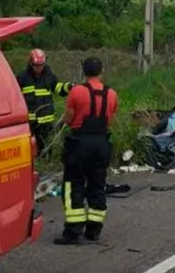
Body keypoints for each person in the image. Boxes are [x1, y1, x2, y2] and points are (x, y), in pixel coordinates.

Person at [53, 57, 119, 245]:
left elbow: (68, 118)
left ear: (84, 71)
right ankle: (94, 229)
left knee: (74, 184)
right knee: (98, 184)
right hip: (101, 143)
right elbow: (110, 121)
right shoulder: (112, 94)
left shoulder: (77, 91)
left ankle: (73, 231)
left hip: (79, 143)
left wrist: (61, 124)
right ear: (101, 71)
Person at [16, 49, 74, 156]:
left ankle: (46, 162)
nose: (39, 68)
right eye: (36, 65)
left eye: (41, 65)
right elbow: (16, 97)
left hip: (46, 120)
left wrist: (68, 87)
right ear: (30, 64)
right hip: (30, 121)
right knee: (30, 149)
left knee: (46, 148)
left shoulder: (49, 75)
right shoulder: (22, 77)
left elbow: (58, 88)